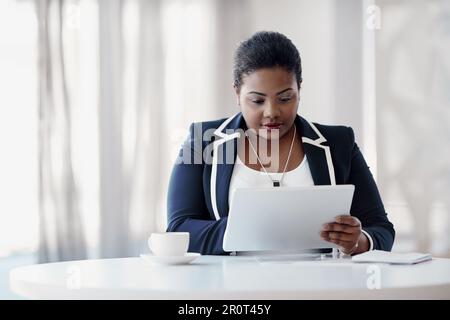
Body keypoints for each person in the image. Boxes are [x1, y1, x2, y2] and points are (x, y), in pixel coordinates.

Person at [166, 31, 395, 256]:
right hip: (232, 289)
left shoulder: (339, 143)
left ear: (299, 89)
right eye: (257, 100)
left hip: (318, 288)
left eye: (285, 98)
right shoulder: (202, 141)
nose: (271, 112)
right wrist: (244, 226)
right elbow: (178, 229)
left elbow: (381, 229)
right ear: (237, 92)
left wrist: (359, 241)